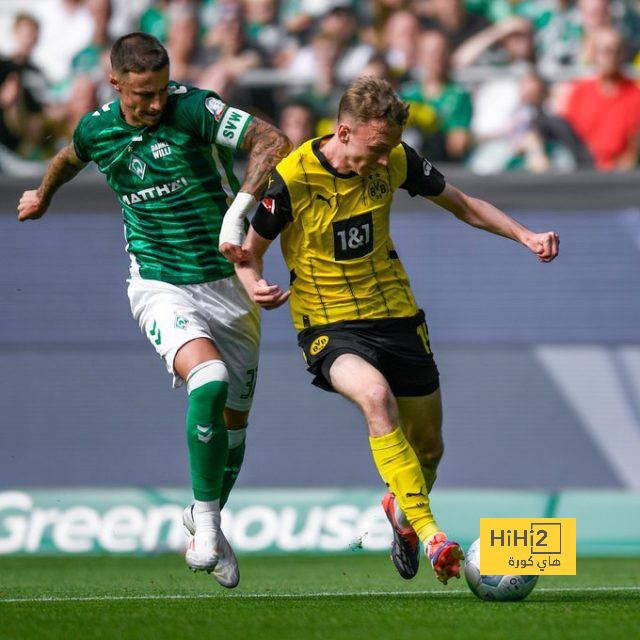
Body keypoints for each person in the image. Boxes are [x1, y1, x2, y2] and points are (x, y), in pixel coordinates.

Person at [232, 76, 559, 584]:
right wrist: (254, 283)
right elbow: (249, 253)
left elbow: (463, 203)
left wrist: (525, 235)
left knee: (429, 449)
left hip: (397, 317)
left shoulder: (396, 158)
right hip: (328, 323)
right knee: (375, 397)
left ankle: (402, 514)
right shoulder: (293, 179)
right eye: (377, 148)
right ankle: (431, 535)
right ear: (343, 132)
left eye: (390, 149)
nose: (386, 160)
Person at [17, 32, 291, 588]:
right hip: (160, 282)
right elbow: (70, 157)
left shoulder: (194, 109)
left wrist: (238, 212)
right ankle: (209, 526)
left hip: (228, 286)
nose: (157, 103)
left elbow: (273, 139)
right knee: (208, 381)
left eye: (163, 90)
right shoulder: (98, 128)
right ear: (115, 83)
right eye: (143, 95)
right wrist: (43, 194)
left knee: (235, 428)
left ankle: (203, 513)